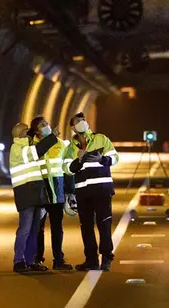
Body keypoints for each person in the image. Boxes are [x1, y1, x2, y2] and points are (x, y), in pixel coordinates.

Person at [62, 112, 119, 272]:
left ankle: (106, 257)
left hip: (102, 190)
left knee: (104, 224)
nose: (82, 122)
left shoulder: (101, 138)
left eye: (83, 120)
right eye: (78, 121)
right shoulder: (70, 148)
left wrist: (102, 159)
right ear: (73, 127)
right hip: (83, 192)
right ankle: (91, 260)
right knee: (86, 227)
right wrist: (78, 160)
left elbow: (115, 157)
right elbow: (66, 169)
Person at [28, 116, 74, 271]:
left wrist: (70, 191)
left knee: (57, 227)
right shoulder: (30, 146)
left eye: (47, 123)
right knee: (38, 228)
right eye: (43, 125)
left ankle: (58, 259)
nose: (47, 126)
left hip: (57, 191)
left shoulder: (61, 144)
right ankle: (37, 259)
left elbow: (67, 169)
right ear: (36, 131)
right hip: (40, 193)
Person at [9, 123, 49, 273]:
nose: (29, 134)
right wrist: (51, 138)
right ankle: (18, 260)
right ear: (19, 134)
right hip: (25, 193)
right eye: (26, 131)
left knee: (35, 229)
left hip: (36, 192)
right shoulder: (17, 149)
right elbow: (36, 152)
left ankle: (31, 260)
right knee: (25, 228)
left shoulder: (28, 146)